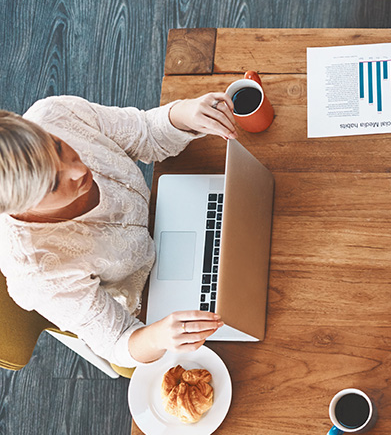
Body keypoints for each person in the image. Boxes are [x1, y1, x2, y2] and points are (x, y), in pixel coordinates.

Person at [0, 92, 239, 368]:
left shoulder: (54, 115)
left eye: (57, 146)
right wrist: (160, 336)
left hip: (169, 208)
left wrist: (186, 113)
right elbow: (116, 342)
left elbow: (145, 131)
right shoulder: (38, 274)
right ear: (18, 208)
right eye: (54, 183)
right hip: (149, 293)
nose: (78, 169)